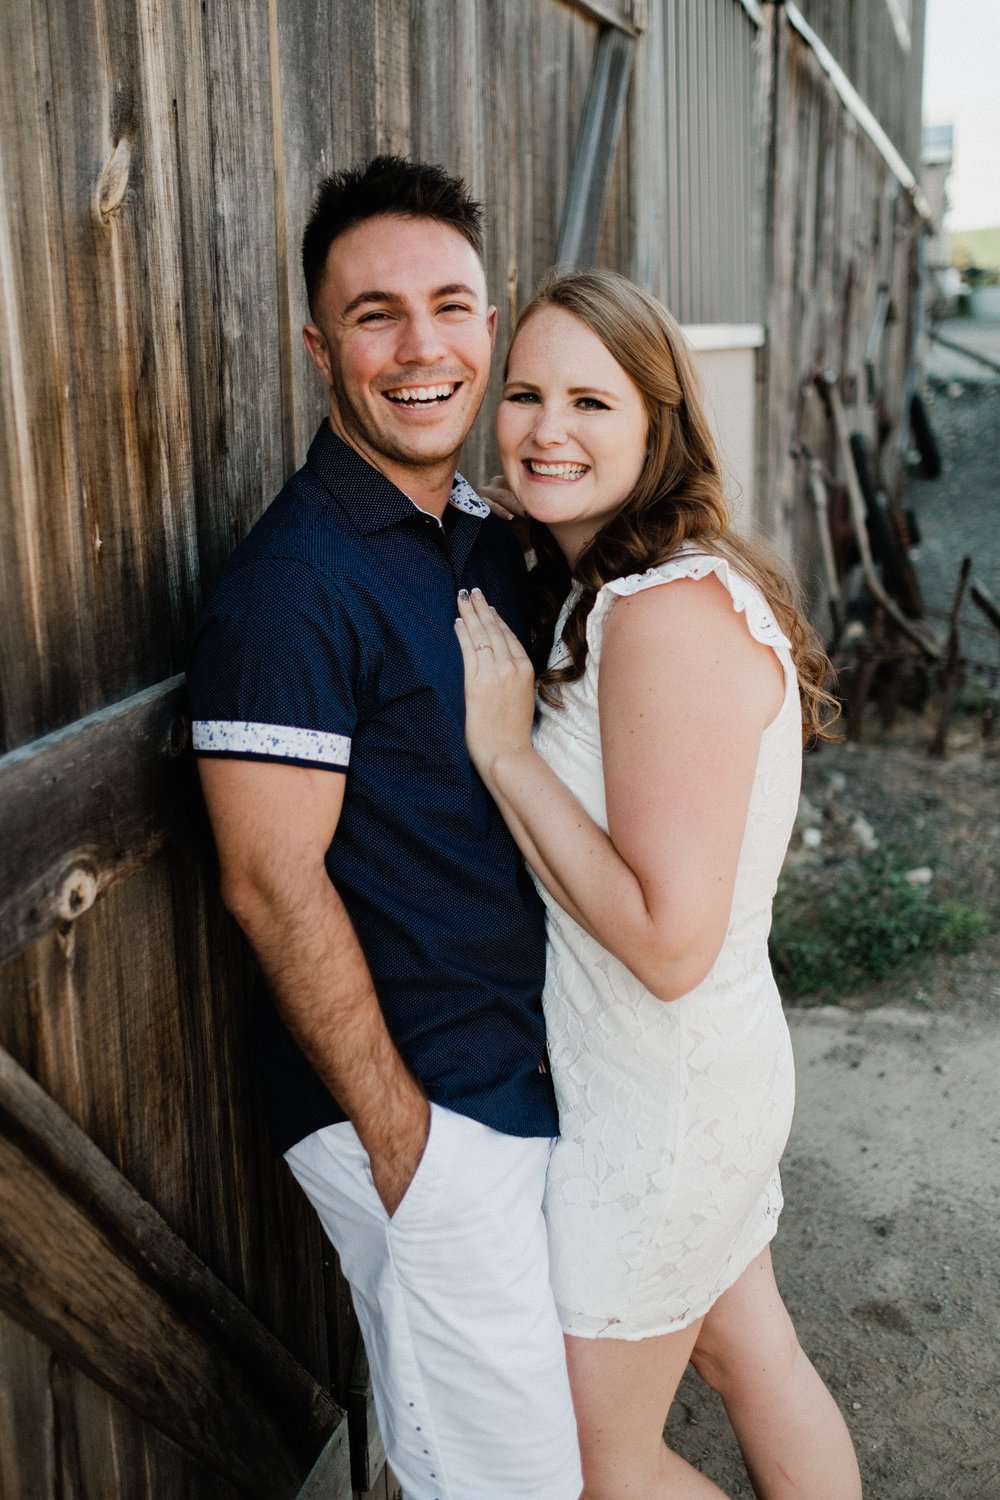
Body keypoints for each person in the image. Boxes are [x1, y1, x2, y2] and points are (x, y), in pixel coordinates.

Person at [186, 158, 582, 1500]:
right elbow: (267, 881)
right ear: (319, 345)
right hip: (429, 1124)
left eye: (452, 306)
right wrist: (407, 1145)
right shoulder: (294, 586)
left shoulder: (488, 537)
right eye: (375, 314)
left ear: (492, 324)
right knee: (503, 1481)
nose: (421, 347)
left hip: (530, 1085)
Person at [456, 268, 863, 1500]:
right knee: (752, 1356)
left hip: (663, 1103)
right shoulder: (623, 590)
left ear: (658, 425)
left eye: (591, 400)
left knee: (596, 1462)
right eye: (525, 394)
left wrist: (505, 754)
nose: (546, 429)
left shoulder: (666, 612)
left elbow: (668, 940)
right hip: (694, 1072)